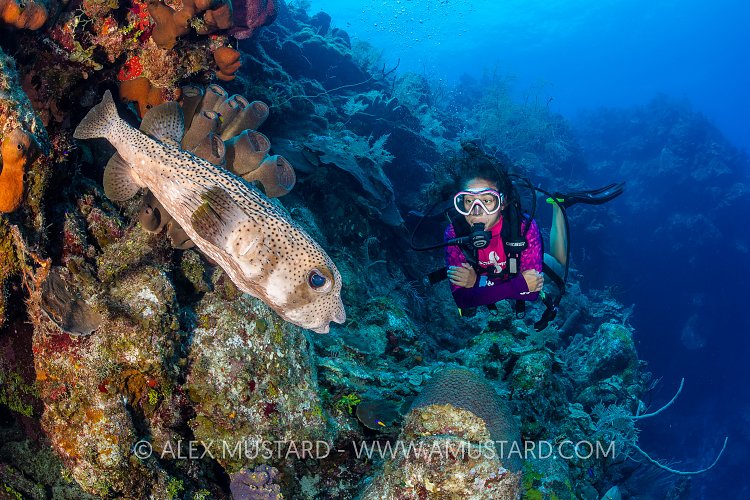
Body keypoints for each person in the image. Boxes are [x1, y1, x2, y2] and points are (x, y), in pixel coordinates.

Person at [444, 163, 623, 316]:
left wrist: (476, 283)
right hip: (506, 274)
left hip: (519, 261)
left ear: (503, 202)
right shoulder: (455, 233)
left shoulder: (523, 227)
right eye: (468, 201)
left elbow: (531, 294)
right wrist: (517, 285)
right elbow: (462, 300)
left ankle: (559, 205)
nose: (477, 211)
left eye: (487, 201)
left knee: (558, 270)